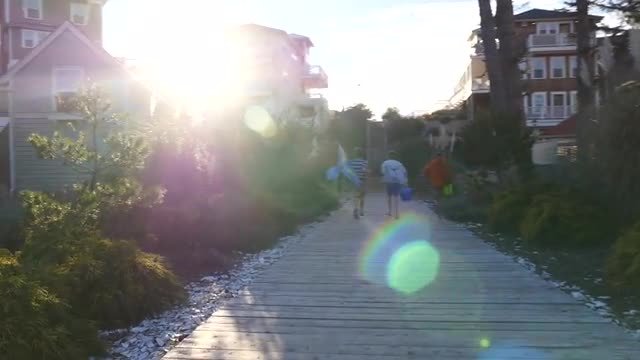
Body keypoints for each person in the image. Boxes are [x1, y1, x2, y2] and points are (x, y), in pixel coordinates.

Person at [381, 151, 408, 220]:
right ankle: (397, 213)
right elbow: (404, 172)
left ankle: (390, 212)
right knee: (396, 197)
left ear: (389, 156)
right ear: (395, 156)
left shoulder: (385, 163)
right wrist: (404, 181)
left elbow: (383, 172)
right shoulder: (399, 164)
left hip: (389, 181)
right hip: (397, 182)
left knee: (389, 196)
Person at [347, 147, 369, 219]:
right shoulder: (364, 162)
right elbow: (364, 171)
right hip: (362, 180)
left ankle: (355, 209)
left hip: (353, 181)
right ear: (361, 154)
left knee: (355, 196)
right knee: (362, 196)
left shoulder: (350, 162)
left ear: (354, 154)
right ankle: (361, 210)